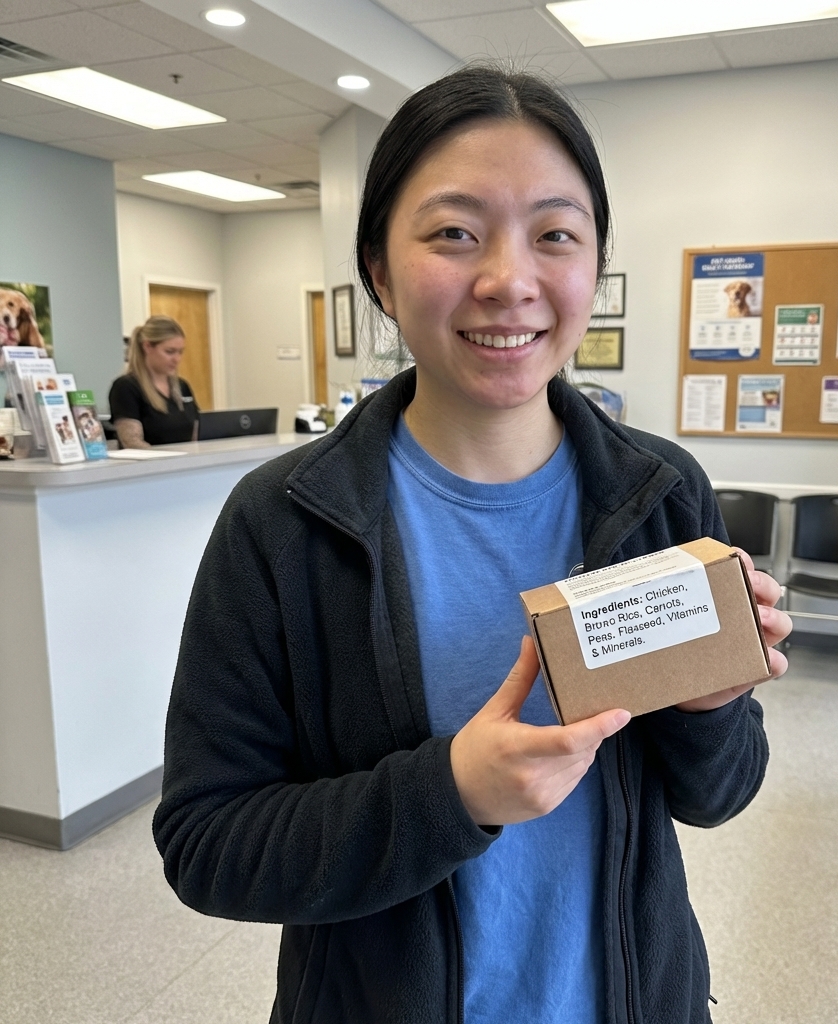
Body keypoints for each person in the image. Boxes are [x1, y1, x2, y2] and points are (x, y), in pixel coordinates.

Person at [154, 64, 792, 1024]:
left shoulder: (659, 494)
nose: (508, 281)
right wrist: (448, 794)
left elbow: (719, 795)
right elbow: (208, 844)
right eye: (454, 232)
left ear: (594, 267)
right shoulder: (282, 521)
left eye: (555, 235)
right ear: (378, 269)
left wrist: (711, 702)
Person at [109, 316, 198, 447]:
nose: (177, 359)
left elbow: (196, 436)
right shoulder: (126, 387)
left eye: (180, 352)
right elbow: (132, 442)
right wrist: (169, 457)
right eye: (170, 352)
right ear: (148, 347)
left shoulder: (182, 386)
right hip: (153, 460)